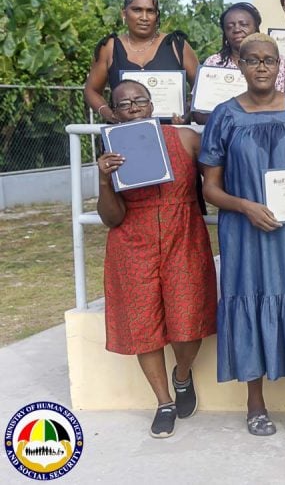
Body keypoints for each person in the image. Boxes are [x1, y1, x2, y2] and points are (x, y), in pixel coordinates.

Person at [199, 33, 285, 449]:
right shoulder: (224, 115)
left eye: (269, 60)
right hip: (245, 232)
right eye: (252, 60)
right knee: (250, 303)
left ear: (279, 66)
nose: (261, 67)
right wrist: (245, 207)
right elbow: (210, 189)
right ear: (239, 64)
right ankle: (254, 404)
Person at [95, 79, 216, 439]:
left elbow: (216, 178)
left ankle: (182, 376)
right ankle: (163, 402)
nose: (133, 108)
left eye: (139, 101)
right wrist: (103, 180)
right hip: (133, 241)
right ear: (114, 114)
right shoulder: (111, 151)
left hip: (184, 234)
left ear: (152, 104)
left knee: (188, 317)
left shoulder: (185, 138)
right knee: (143, 324)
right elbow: (111, 218)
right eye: (124, 104)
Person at [85, 0, 199, 125]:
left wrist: (187, 112)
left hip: (172, 134)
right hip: (124, 135)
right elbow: (91, 90)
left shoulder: (177, 45)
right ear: (124, 13)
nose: (144, 17)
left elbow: (200, 89)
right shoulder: (109, 47)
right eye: (137, 10)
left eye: (150, 11)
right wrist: (110, 115)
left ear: (157, 15)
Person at [198, 3, 285, 120]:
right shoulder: (213, 62)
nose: (236, 29)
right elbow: (199, 111)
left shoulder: (279, 63)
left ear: (256, 28)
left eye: (244, 24)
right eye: (230, 26)